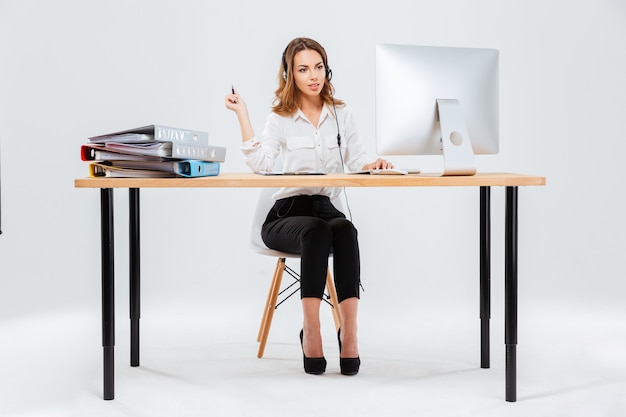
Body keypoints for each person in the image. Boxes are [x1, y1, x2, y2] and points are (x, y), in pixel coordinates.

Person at [225, 37, 393, 376]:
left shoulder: (342, 114)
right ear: (290, 75)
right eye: (303, 69)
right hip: (286, 215)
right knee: (316, 231)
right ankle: (312, 329)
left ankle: (350, 332)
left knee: (344, 228)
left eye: (318, 67)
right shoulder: (281, 118)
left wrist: (374, 164)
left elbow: (357, 160)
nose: (313, 76)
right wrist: (242, 114)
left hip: (326, 208)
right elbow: (261, 163)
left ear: (327, 69)